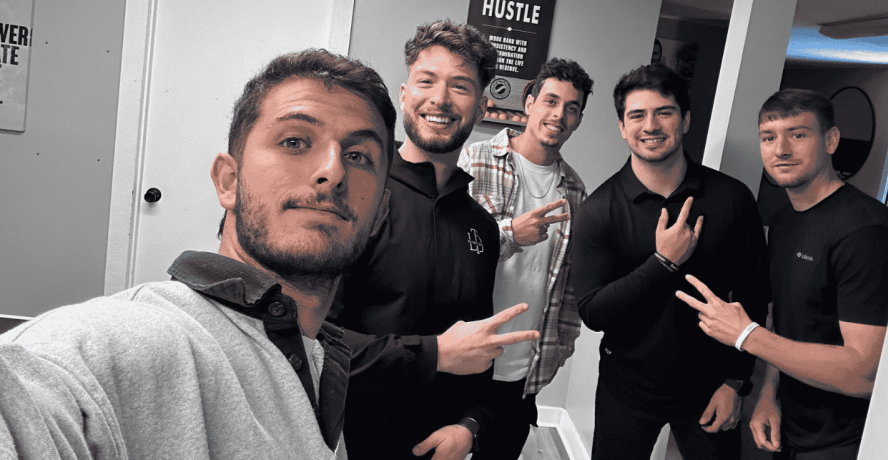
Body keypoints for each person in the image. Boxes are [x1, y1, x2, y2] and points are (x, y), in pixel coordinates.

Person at [0, 49, 538, 459]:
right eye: (295, 142)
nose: (332, 171)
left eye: (358, 155)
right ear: (227, 180)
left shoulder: (318, 360)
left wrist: (471, 423)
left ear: (378, 207)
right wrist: (432, 354)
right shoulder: (127, 345)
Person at [677, 88, 888, 460]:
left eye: (798, 134)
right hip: (794, 428)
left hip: (848, 440)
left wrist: (746, 336)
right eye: (769, 138)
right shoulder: (784, 222)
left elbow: (865, 373)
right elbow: (786, 321)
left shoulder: (868, 232)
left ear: (830, 141)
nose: (781, 149)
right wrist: (769, 395)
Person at [570, 63, 768, 460]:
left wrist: (736, 382)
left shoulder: (732, 198)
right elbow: (593, 312)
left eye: (664, 112)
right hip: (626, 389)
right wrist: (662, 264)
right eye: (637, 115)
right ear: (622, 127)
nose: (651, 125)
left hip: (712, 389)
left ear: (686, 119)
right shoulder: (599, 210)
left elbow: (754, 294)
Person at [329, 20, 503, 460]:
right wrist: (434, 354)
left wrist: (471, 423)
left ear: (481, 108)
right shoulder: (356, 196)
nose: (440, 99)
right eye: (427, 81)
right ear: (405, 95)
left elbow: (479, 344)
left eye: (460, 86)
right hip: (349, 442)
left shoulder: (481, 227)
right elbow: (316, 341)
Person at [457, 58, 594, 459]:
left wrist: (561, 347)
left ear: (578, 119)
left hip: (522, 370)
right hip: (463, 353)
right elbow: (449, 252)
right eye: (551, 101)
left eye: (572, 108)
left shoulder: (575, 192)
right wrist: (509, 234)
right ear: (529, 102)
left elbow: (570, 286)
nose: (559, 115)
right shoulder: (475, 161)